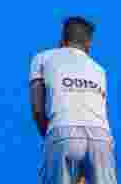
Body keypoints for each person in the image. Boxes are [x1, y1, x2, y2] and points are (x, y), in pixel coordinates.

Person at [31, 17, 116, 184]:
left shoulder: (42, 58)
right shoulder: (99, 69)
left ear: (62, 40)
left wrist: (51, 139)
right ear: (89, 44)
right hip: (102, 138)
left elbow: (37, 109)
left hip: (63, 131)